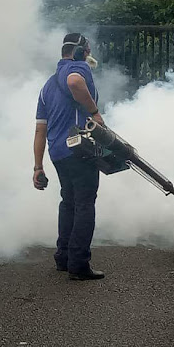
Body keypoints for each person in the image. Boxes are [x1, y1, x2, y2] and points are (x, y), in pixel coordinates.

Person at [32, 33, 105, 281]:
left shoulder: (47, 86)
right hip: (79, 148)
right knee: (84, 204)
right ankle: (79, 264)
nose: (89, 54)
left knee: (69, 202)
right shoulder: (77, 68)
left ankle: (63, 257)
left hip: (57, 153)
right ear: (80, 51)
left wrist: (38, 167)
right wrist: (95, 113)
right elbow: (74, 82)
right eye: (87, 50)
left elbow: (40, 130)